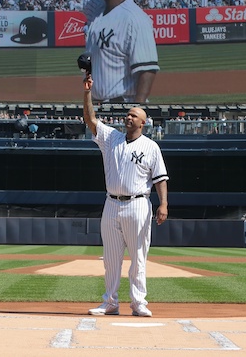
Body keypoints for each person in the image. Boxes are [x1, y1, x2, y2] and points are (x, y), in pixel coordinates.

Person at [82, 72, 169, 317]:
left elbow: (160, 177)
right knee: (110, 259)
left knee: (138, 257)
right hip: (111, 203)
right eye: (128, 114)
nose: (128, 117)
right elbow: (90, 119)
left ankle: (138, 302)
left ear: (143, 123)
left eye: (134, 115)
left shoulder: (151, 146)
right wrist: (87, 92)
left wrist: (163, 204)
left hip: (138, 204)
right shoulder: (112, 138)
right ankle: (109, 302)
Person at [74, 0, 159, 103]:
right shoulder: (97, 7)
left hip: (121, 107)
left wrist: (135, 112)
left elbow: (147, 70)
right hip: (97, 107)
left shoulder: (135, 18)